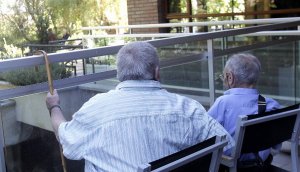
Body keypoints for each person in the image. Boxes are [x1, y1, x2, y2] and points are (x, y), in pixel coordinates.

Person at [46, 41, 234, 172]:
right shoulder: (188, 108)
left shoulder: (95, 109)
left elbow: (64, 136)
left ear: (119, 74)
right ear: (157, 73)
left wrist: (54, 107)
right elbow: (226, 144)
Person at [208, 53, 281, 169]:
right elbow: (276, 146)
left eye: (224, 77)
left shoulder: (222, 103)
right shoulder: (272, 105)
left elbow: (203, 136)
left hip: (230, 166)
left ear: (230, 77)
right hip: (261, 165)